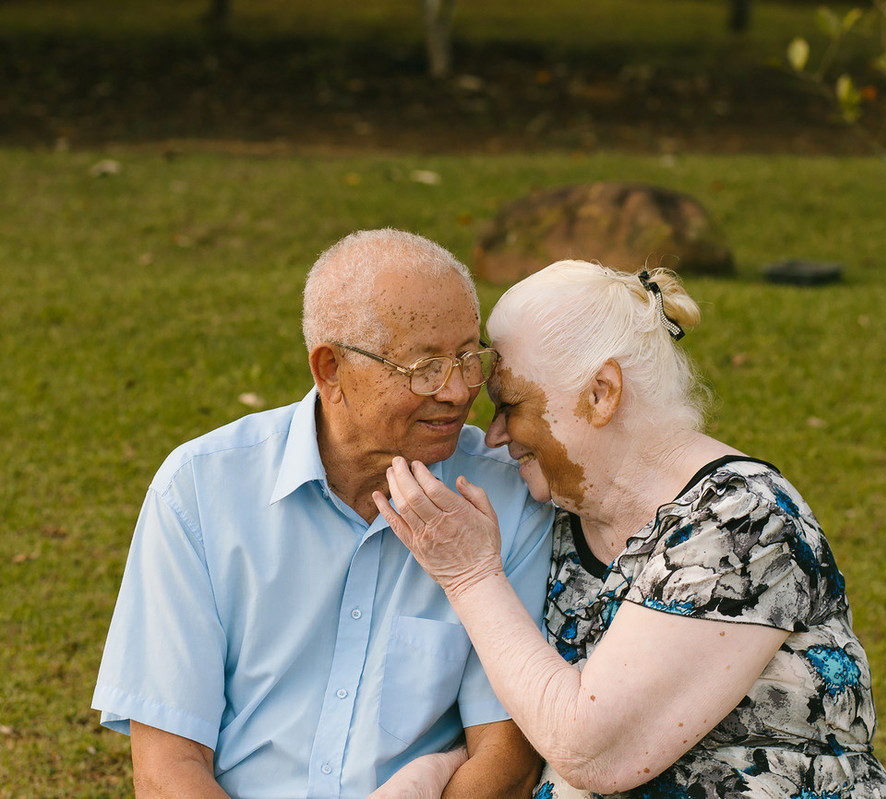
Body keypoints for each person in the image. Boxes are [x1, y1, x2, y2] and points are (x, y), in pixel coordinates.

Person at [372, 261, 886, 798]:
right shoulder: (560, 516)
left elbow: (593, 751)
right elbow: (528, 702)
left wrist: (470, 576)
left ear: (602, 392)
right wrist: (432, 774)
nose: (498, 434)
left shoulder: (744, 525)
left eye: (512, 404)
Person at [92, 229, 554, 798]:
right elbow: (168, 769)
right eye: (425, 368)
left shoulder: (507, 497)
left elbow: (506, 760)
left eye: (467, 356)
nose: (459, 390)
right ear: (331, 369)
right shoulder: (199, 491)